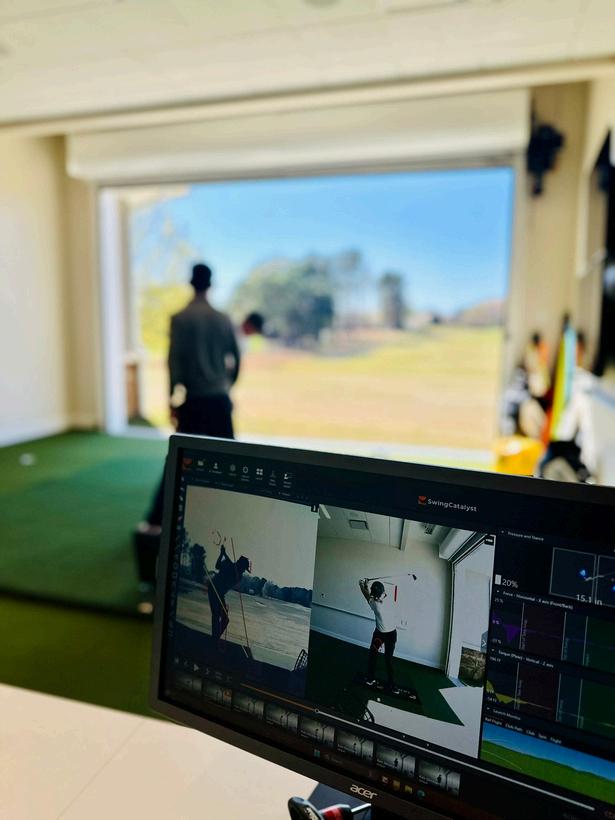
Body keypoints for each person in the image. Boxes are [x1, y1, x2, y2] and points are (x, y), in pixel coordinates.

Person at [141, 263, 241, 531]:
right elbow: (236, 358)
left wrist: (171, 400)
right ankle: (236, 517)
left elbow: (173, 362)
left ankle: (156, 520)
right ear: (211, 284)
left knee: (178, 461)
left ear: (191, 283)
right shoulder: (223, 319)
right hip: (219, 401)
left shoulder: (180, 318)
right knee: (232, 461)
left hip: (194, 401)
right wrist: (227, 385)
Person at [359, 578, 398, 692]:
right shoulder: (386, 599)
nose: (376, 598)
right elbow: (370, 594)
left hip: (389, 634)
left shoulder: (375, 604)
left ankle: (392, 684)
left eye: (377, 596)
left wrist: (362, 584)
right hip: (381, 634)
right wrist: (367, 587)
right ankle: (370, 678)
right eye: (375, 596)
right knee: (373, 654)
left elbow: (365, 593)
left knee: (388, 659)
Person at [208, 544, 251, 644]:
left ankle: (215, 638)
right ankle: (214, 639)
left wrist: (224, 554)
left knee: (225, 619)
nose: (244, 571)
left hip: (220, 593)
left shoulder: (238, 575)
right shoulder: (230, 566)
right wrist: (222, 554)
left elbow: (232, 569)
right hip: (214, 589)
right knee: (216, 615)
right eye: (244, 568)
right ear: (240, 565)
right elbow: (217, 566)